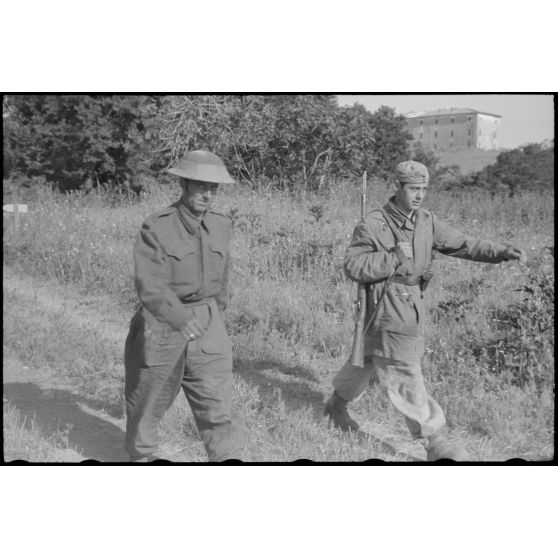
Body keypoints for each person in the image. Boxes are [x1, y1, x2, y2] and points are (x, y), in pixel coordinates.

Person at [324, 161, 526, 461]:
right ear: (399, 187)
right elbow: (352, 266)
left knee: (366, 360)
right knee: (402, 369)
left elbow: (463, 244)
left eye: (424, 189)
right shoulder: (374, 223)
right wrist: (390, 258)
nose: (419, 195)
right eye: (413, 189)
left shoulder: (426, 221)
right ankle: (434, 441)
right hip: (385, 305)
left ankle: (335, 405)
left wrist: (500, 252)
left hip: (413, 305)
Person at [124, 150, 245, 462]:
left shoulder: (221, 225)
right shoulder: (157, 226)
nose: (208, 194)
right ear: (184, 184)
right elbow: (149, 284)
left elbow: (224, 275)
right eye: (201, 186)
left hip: (207, 320)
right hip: (163, 321)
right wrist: (178, 317)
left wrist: (217, 312)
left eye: (214, 188)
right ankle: (141, 457)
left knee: (216, 402)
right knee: (148, 402)